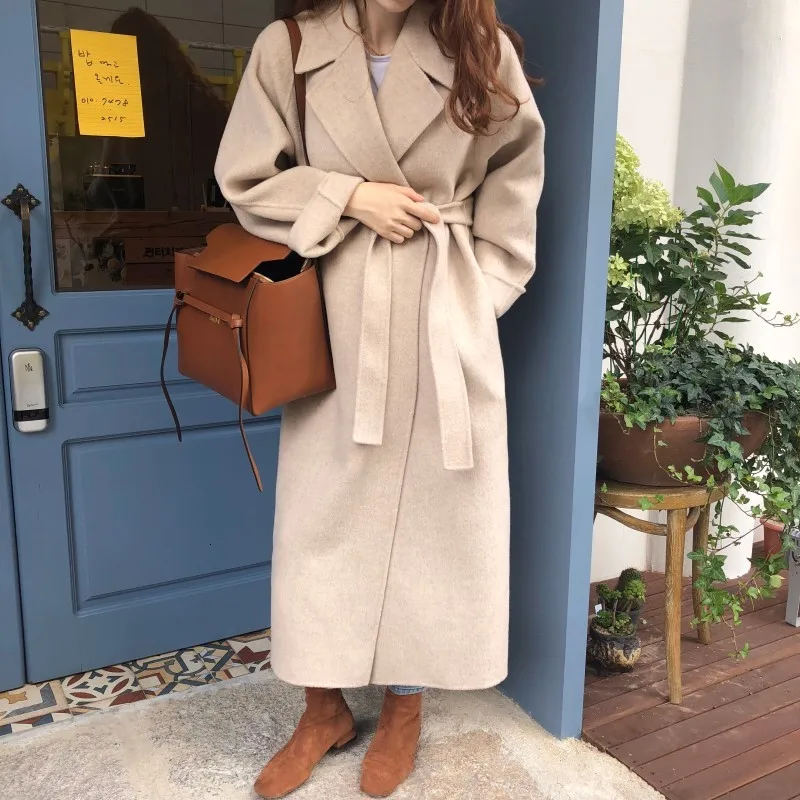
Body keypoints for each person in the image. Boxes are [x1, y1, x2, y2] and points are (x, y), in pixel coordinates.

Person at [214, 0, 544, 796]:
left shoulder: (479, 49)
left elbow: (516, 177)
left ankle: (404, 708)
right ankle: (321, 708)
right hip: (335, 319)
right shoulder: (290, 47)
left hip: (440, 315)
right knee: (321, 521)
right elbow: (245, 177)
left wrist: (476, 298)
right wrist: (348, 197)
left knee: (434, 521)